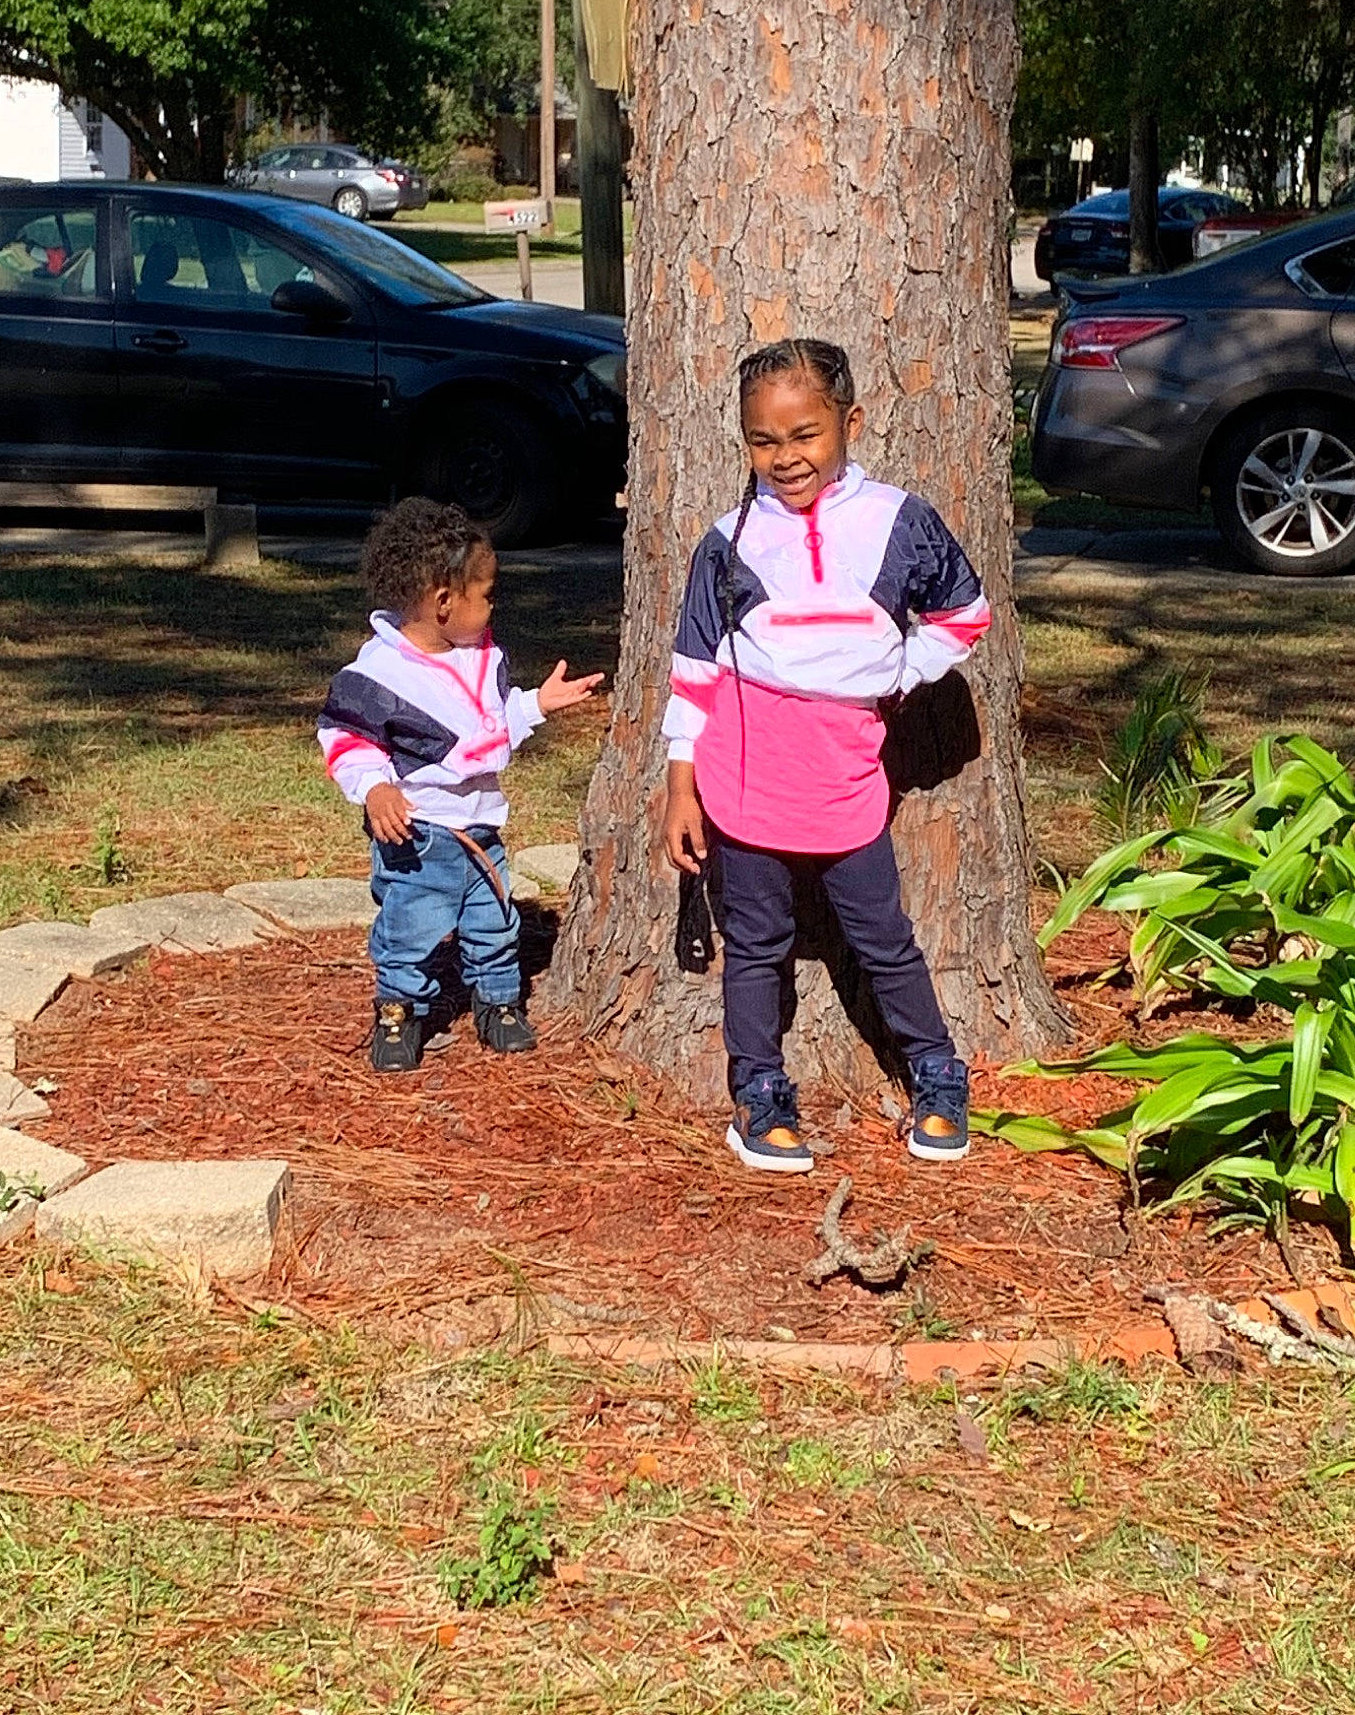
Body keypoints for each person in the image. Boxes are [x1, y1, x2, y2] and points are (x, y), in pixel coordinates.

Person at [660, 338, 990, 1172]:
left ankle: (937, 1073)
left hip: (846, 778)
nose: (786, 458)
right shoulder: (724, 544)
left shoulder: (897, 521)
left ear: (850, 422)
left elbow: (966, 613)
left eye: (805, 435)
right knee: (756, 942)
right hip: (744, 779)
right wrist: (679, 786)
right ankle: (761, 1092)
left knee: (884, 937)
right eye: (763, 442)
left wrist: (896, 673)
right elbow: (694, 670)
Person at [319, 498, 603, 1072]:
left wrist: (537, 705)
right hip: (418, 835)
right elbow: (345, 739)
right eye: (487, 593)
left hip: (482, 827)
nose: (494, 604)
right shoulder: (376, 673)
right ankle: (398, 1010)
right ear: (444, 602)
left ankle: (497, 1003)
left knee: (495, 920)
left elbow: (490, 726)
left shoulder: (480, 654)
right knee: (409, 929)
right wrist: (375, 788)